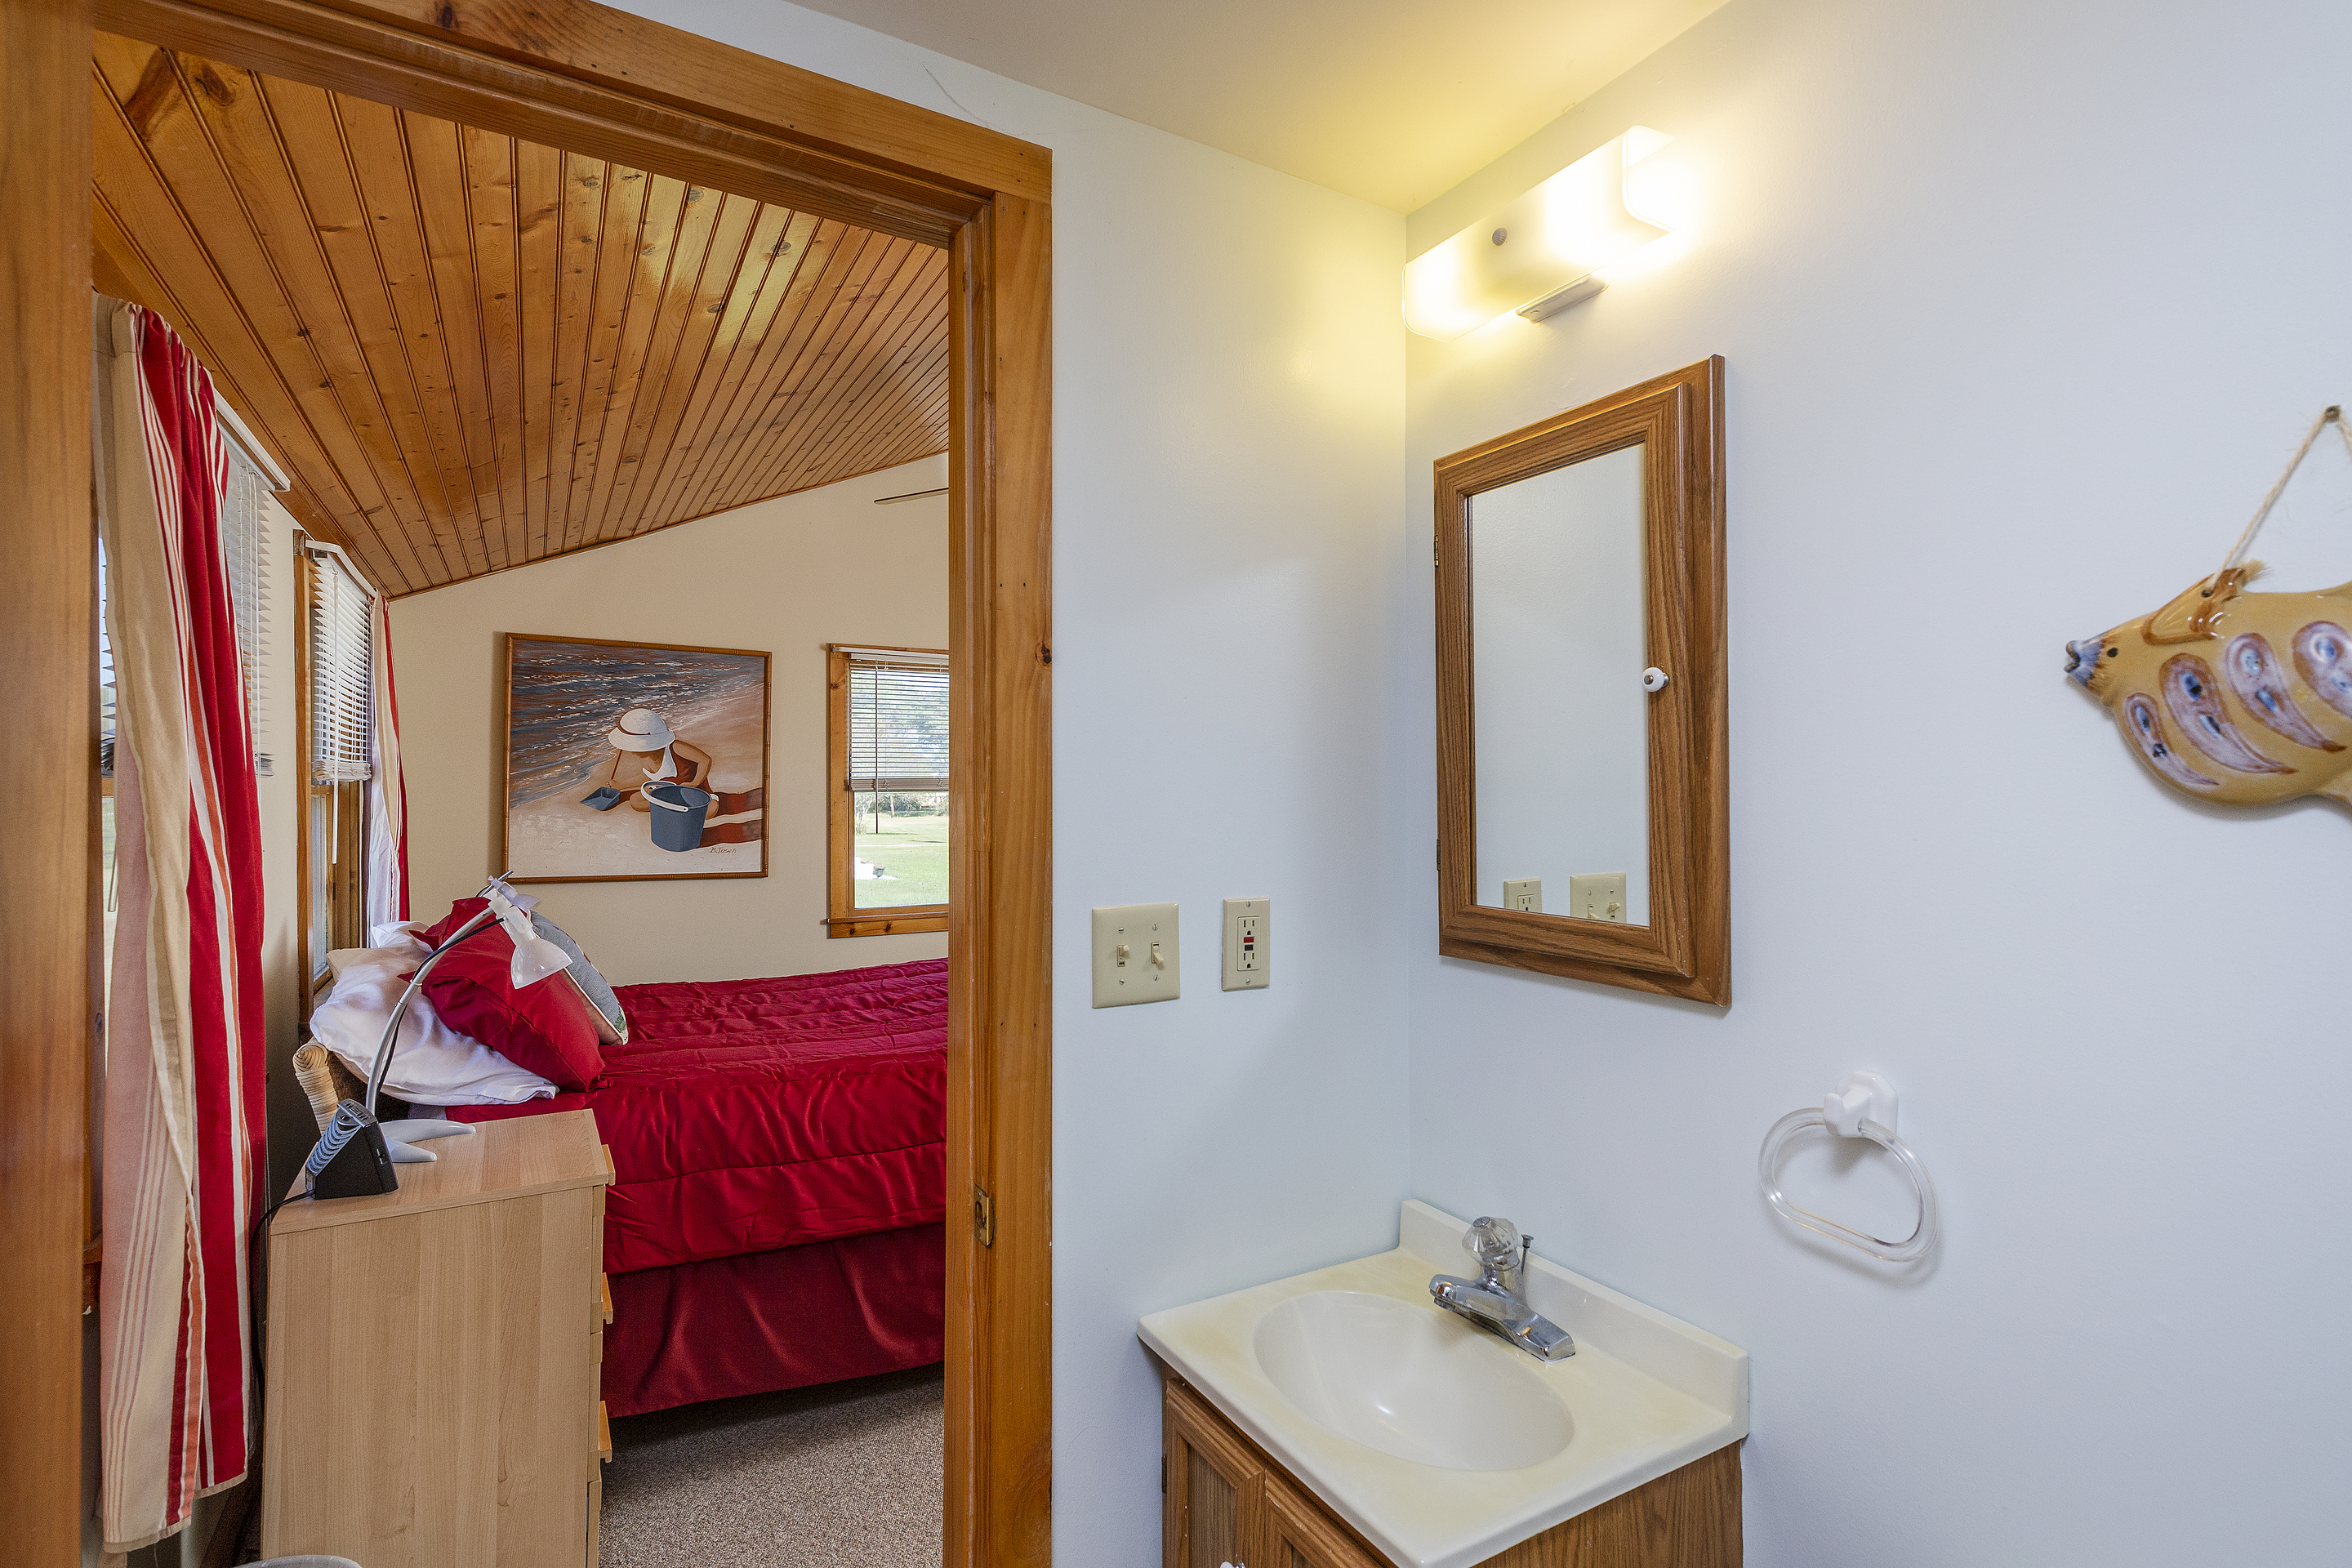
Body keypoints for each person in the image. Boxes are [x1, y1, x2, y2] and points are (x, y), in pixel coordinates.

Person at [593, 707, 713, 813]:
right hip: (667, 790)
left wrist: (695, 783)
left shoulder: (675, 747)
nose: (632, 752)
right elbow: (649, 778)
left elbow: (705, 760)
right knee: (635, 801)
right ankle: (672, 805)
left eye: (635, 747)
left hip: (690, 790)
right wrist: (621, 785)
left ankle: (673, 807)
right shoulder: (648, 760)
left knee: (710, 810)